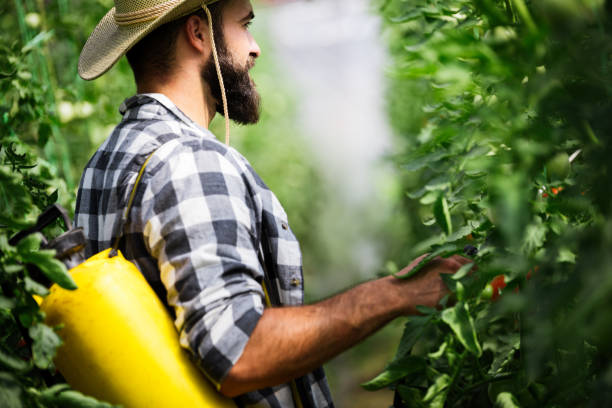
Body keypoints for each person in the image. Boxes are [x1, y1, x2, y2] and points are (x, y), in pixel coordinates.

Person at [74, 0, 471, 406]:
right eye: (244, 25)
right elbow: (238, 350)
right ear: (199, 34)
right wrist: (397, 295)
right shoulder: (191, 161)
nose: (255, 47)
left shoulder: (105, 162)